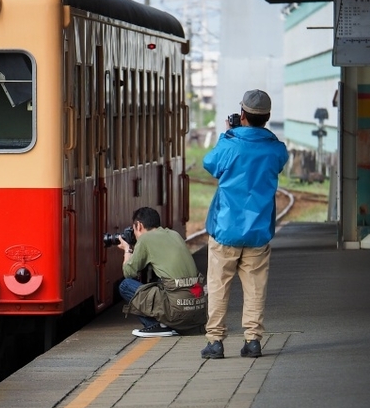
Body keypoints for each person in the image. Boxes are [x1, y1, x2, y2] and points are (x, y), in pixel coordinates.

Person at [200, 89, 289, 360]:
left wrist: (229, 133)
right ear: (268, 117)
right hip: (258, 231)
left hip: (226, 229)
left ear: (242, 115)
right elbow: (277, 162)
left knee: (218, 286)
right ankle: (252, 341)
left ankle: (215, 342)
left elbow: (209, 164)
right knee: (255, 288)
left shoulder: (230, 143)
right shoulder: (276, 149)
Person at [117, 206, 206, 337]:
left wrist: (127, 249)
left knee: (125, 285)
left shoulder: (145, 239)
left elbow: (128, 272)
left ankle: (155, 326)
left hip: (178, 312)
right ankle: (167, 323)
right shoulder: (174, 234)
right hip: (197, 311)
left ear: (139, 226)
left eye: (134, 229)